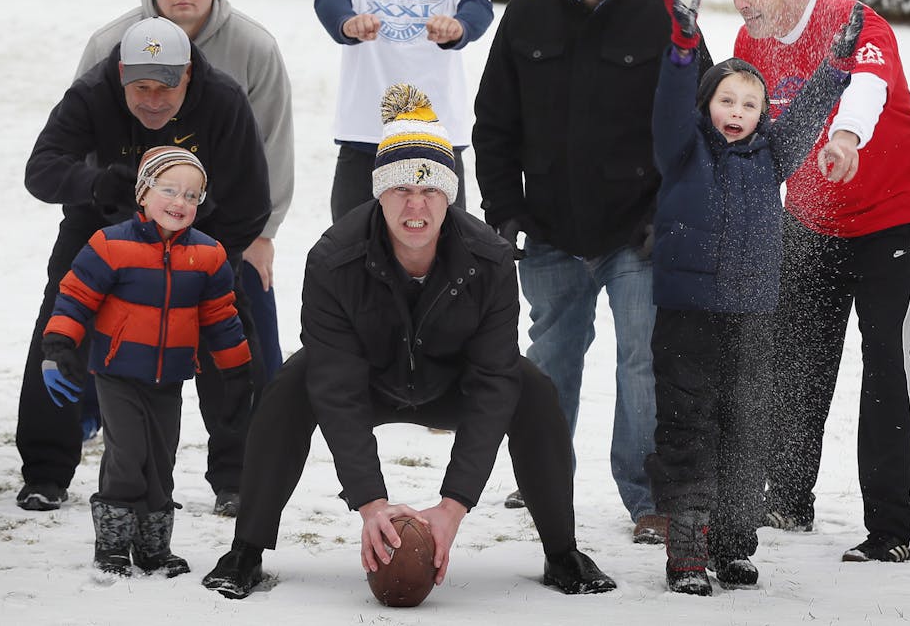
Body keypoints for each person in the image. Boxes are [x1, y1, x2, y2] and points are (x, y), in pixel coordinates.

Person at [200, 85, 616, 599]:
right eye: (401, 190)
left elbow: (492, 382)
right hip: (369, 379)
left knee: (531, 388)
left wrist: (453, 506)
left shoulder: (488, 258)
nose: (416, 206)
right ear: (379, 193)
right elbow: (335, 385)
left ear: (450, 196)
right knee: (292, 384)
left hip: (450, 384)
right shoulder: (333, 259)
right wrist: (371, 502)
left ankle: (562, 552)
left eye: (431, 191)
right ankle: (246, 549)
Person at [473, 0, 711, 543]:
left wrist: (671, 215)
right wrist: (504, 210)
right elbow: (494, 124)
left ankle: (648, 497)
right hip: (549, 229)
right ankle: (543, 476)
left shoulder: (662, 19)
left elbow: (703, 122)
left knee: (642, 363)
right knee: (551, 360)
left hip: (638, 234)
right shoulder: (525, 15)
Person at [731, 0, 910, 562]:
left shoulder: (857, 24)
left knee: (886, 363)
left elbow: (866, 91)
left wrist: (845, 138)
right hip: (812, 219)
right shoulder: (752, 40)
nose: (742, 2)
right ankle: (789, 497)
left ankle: (892, 527)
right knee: (798, 357)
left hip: (889, 215)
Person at [647, 0, 861, 595]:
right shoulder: (683, 150)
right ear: (707, 103)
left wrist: (838, 64)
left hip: (751, 316)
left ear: (763, 113)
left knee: (746, 430)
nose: (737, 112)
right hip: (687, 316)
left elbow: (810, 112)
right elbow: (668, 106)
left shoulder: (773, 155)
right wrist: (684, 51)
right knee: (688, 429)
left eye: (750, 102)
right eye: (725, 100)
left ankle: (736, 547)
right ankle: (687, 551)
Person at [14, 16, 270, 514]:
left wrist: (207, 255)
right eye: (140, 88)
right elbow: (40, 171)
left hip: (199, 239)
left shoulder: (225, 100)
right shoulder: (92, 92)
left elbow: (251, 202)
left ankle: (238, 477)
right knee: (59, 331)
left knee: (233, 346)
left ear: (189, 75)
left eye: (165, 88)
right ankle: (46, 471)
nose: (153, 100)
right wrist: (94, 184)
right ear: (122, 76)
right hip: (102, 236)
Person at [77, 0, 294, 382]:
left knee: (250, 329)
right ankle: (89, 410)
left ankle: (264, 424)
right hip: (134, 216)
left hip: (230, 218)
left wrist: (264, 232)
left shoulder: (254, 47)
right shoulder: (111, 44)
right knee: (103, 316)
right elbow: (82, 137)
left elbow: (274, 140)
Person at [40, 146, 251, 578]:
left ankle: (154, 547)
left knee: (160, 459)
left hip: (169, 378)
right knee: (127, 454)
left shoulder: (208, 256)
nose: (180, 203)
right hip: (117, 374)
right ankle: (113, 544)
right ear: (143, 193)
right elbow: (76, 299)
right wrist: (58, 347)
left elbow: (221, 320)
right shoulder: (110, 245)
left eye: (192, 196)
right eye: (169, 190)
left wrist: (237, 372)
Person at [314, 0, 493, 221]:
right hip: (365, 136)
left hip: (438, 137)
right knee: (349, 254)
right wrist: (348, 23)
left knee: (445, 256)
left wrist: (458, 28)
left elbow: (479, 6)